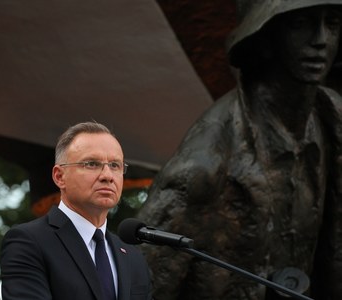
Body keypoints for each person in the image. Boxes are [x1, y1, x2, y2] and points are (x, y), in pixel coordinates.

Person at [136, 1, 342, 299]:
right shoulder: (202, 169)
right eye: (300, 24)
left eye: (333, 23)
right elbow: (137, 287)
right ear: (266, 35)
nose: (321, 39)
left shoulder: (331, 121)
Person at [0, 121, 152, 300]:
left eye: (115, 165)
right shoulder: (29, 242)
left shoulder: (132, 256)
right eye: (92, 164)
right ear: (59, 176)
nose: (107, 176)